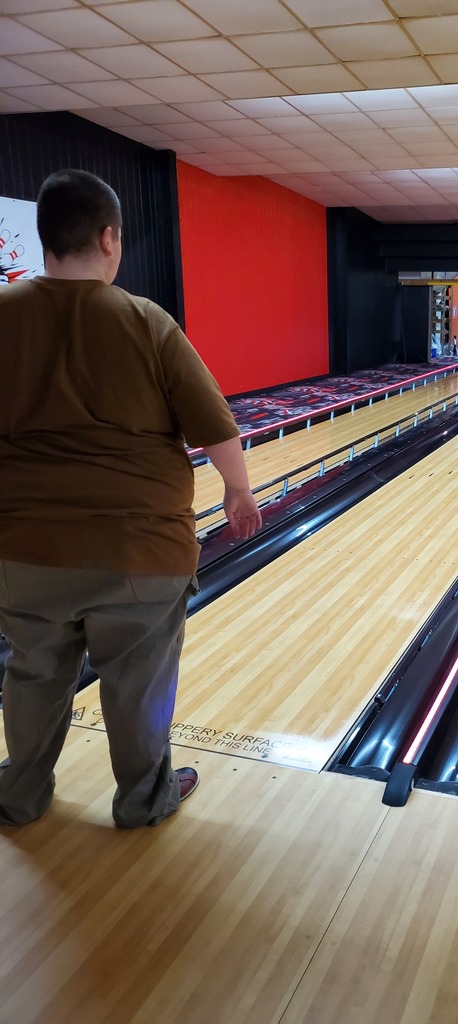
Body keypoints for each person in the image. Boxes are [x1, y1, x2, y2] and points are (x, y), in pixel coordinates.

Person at [0, 169, 262, 828]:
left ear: (43, 238)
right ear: (110, 237)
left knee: (33, 673)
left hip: (24, 549)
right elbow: (215, 426)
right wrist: (238, 489)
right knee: (137, 680)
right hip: (141, 551)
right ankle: (143, 801)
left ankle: (20, 793)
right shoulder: (145, 320)